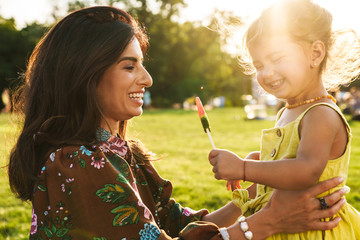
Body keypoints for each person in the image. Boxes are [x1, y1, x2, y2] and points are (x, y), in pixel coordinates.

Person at [7, 6, 347, 240]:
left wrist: (247, 199)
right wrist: (268, 221)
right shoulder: (78, 162)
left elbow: (175, 224)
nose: (148, 79)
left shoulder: (121, 152)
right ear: (84, 75)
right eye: (130, 67)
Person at [209, 0, 360, 239]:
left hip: (312, 229)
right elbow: (291, 158)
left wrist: (244, 168)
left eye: (277, 58)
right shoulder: (287, 111)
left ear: (315, 53)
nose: (267, 73)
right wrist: (262, 161)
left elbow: (306, 170)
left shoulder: (320, 113)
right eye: (259, 64)